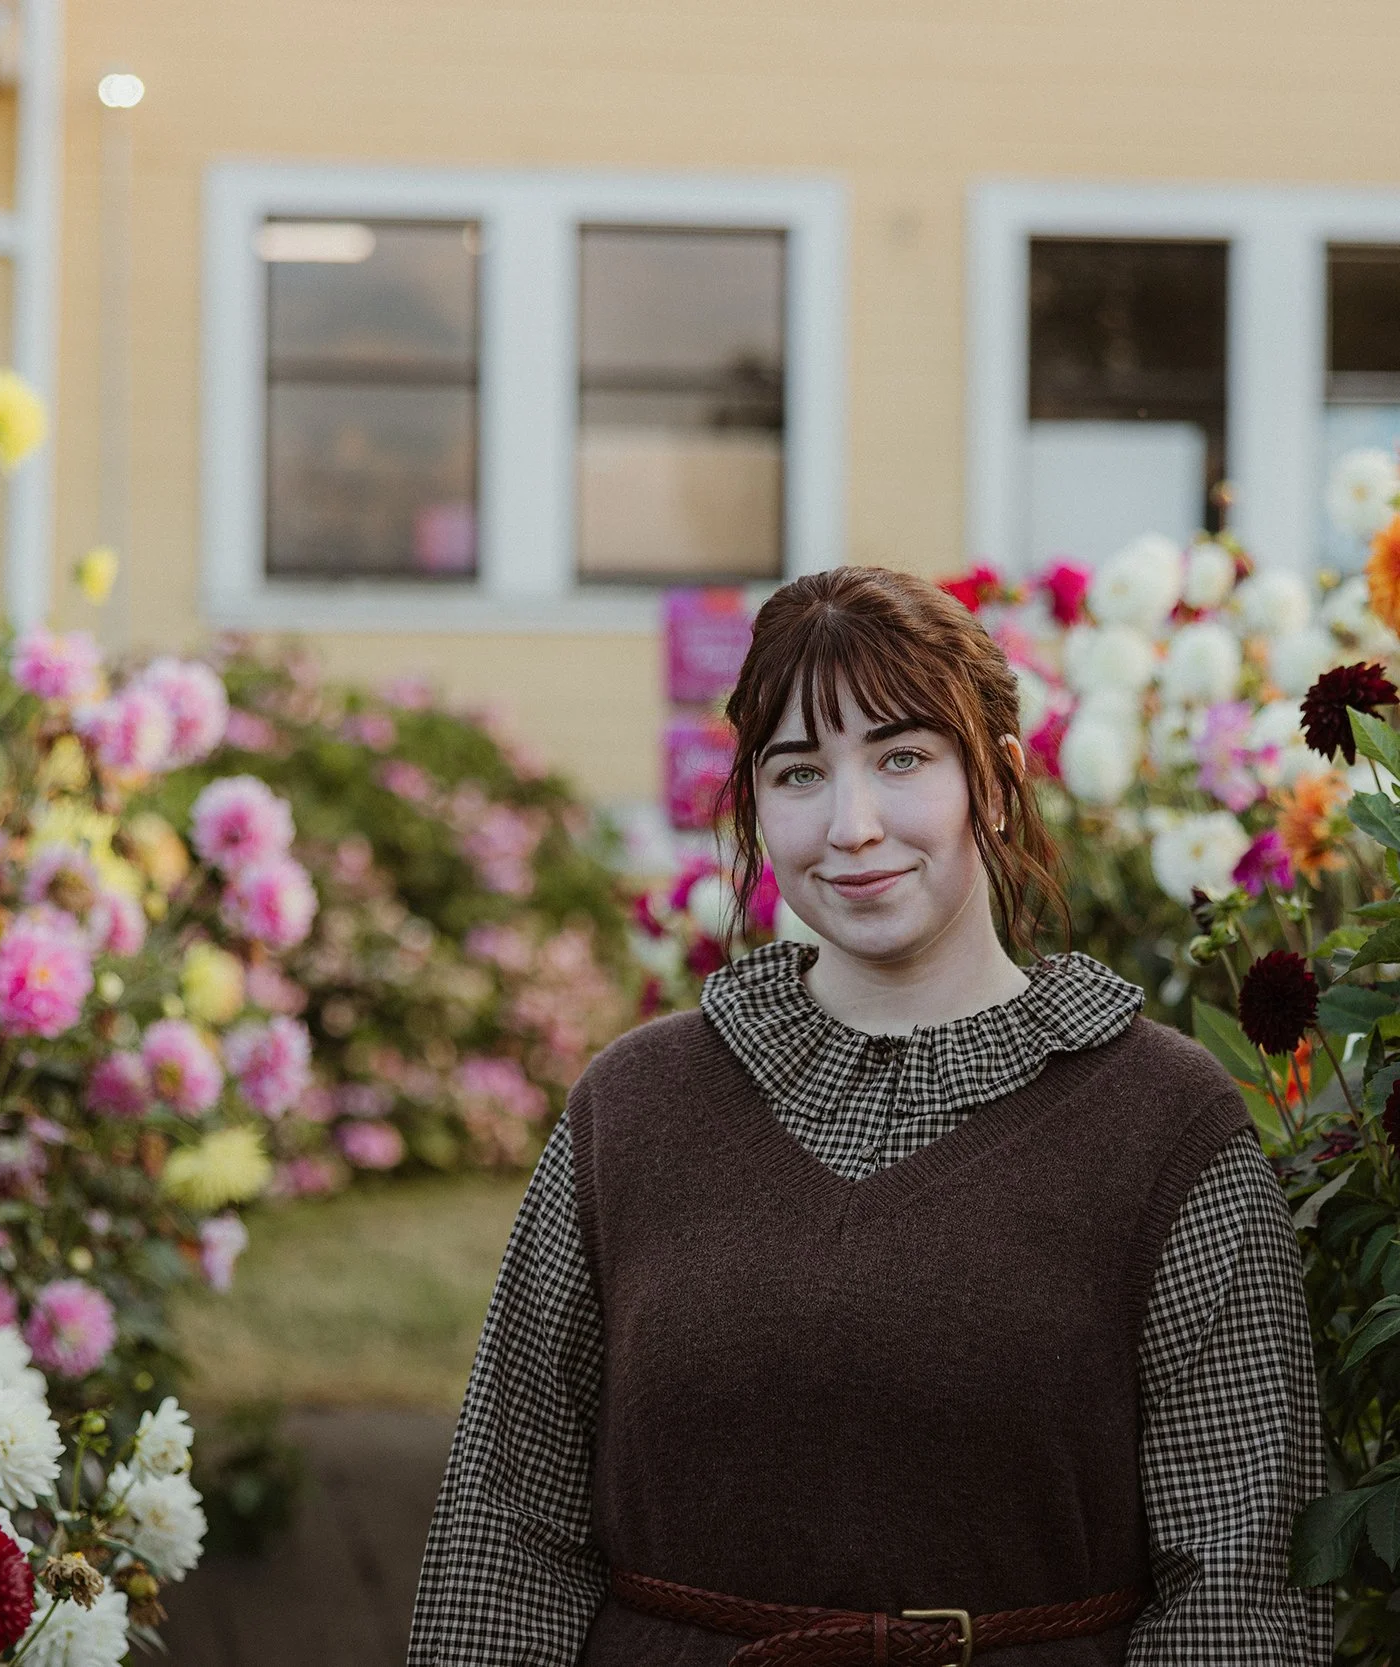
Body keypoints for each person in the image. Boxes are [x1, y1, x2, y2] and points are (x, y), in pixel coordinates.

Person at [407, 565, 1329, 1666]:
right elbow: (507, 1532)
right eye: (799, 772)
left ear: (990, 780)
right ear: (753, 802)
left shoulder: (1163, 1126)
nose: (850, 825)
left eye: (901, 758)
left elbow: (1240, 1580)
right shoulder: (634, 1110)